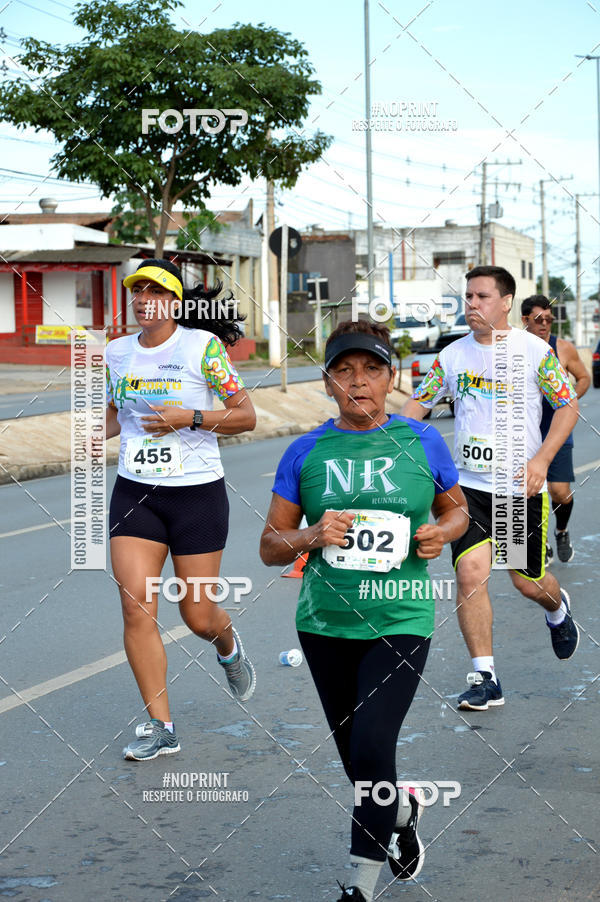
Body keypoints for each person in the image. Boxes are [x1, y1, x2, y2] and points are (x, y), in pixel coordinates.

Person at [260, 320, 468, 902]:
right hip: (324, 622)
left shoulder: (421, 440)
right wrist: (311, 535)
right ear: (327, 382)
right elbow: (270, 546)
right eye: (344, 370)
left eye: (372, 369)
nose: (358, 381)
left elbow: (457, 511)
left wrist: (441, 532)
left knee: (374, 747)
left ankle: (360, 885)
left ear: (390, 379)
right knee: (359, 763)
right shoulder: (305, 451)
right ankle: (401, 811)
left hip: (401, 617)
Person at [403, 265, 580, 712]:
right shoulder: (452, 356)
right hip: (467, 489)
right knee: (469, 574)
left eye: (482, 296)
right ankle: (486, 678)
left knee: (526, 582)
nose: (472, 304)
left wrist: (541, 460)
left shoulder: (534, 351)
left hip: (516, 490)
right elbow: (417, 405)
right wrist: (392, 445)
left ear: (505, 302)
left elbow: (567, 406)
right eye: (468, 296)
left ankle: (557, 608)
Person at [105, 258, 257, 760]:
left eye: (156, 291)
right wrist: (83, 435)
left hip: (196, 496)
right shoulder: (116, 353)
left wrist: (188, 417)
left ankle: (227, 644)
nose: (144, 299)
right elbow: (113, 417)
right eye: (138, 290)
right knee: (135, 607)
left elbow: (246, 416)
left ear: (174, 302)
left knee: (196, 614)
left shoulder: (202, 348)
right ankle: (161, 727)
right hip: (135, 494)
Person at [521, 295, 590, 564]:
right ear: (525, 320)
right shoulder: (514, 349)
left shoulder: (563, 348)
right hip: (525, 432)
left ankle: (561, 531)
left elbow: (583, 378)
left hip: (557, 430)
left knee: (559, 490)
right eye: (539, 319)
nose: (545, 324)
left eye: (549, 319)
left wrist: (567, 400)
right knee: (528, 490)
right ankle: (540, 542)